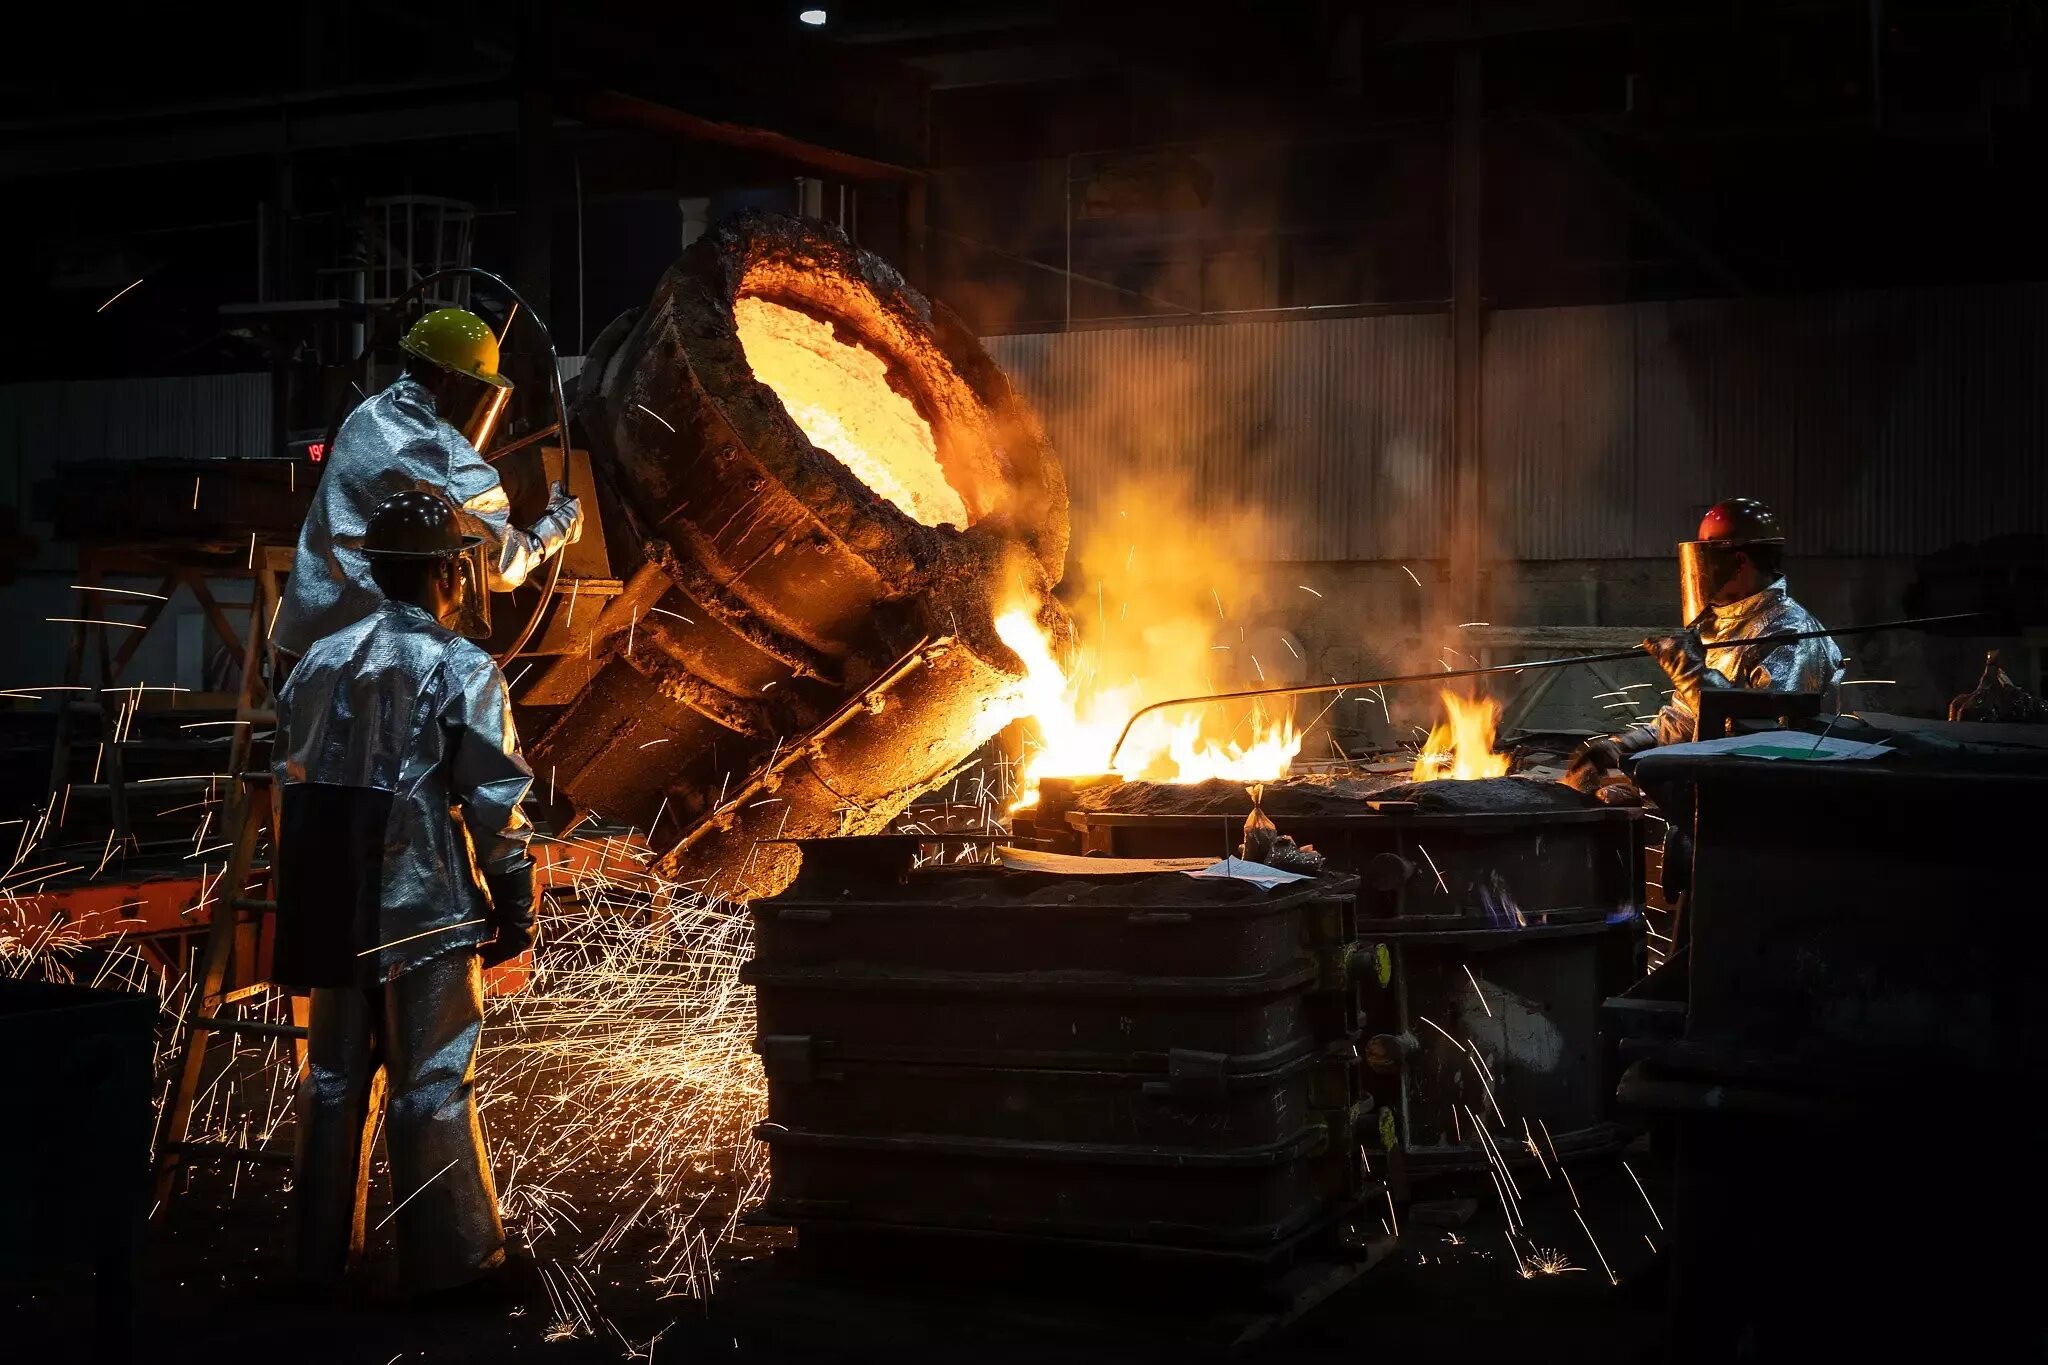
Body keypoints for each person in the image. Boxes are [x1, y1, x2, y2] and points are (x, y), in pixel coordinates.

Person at [272, 490, 539, 1294]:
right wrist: (516, 904)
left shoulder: (316, 661)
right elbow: (495, 801)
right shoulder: (461, 666)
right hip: (426, 913)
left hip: (331, 908)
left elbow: (295, 779)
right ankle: (454, 1266)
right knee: (431, 1085)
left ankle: (318, 1261)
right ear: (451, 573)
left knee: (331, 1079)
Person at [273, 306, 582, 663]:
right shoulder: (448, 457)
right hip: (375, 659)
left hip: (304, 641)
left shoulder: (366, 414)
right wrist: (559, 523)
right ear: (455, 379)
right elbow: (502, 567)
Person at [1568, 497, 1843, 788]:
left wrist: (1692, 675)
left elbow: (1766, 740)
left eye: (1708, 557)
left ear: (1738, 561)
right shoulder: (1721, 626)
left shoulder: (1791, 633)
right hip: (1713, 783)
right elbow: (1688, 720)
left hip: (1771, 799)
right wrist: (1623, 746)